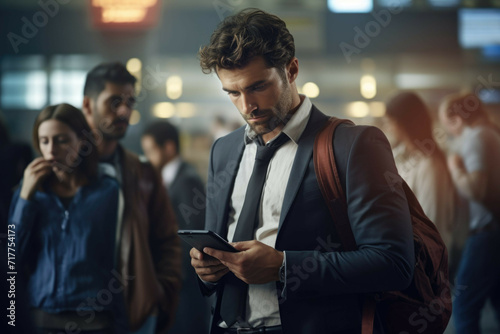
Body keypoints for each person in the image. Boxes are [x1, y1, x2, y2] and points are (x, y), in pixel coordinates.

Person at [190, 9, 415, 334]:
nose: (246, 106)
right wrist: (207, 269)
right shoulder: (223, 151)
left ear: (291, 70)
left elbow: (393, 262)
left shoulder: (353, 146)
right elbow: (218, 244)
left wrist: (284, 266)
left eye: (258, 87)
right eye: (233, 93)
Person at [81, 62, 182, 334]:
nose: (124, 110)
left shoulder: (144, 173)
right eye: (114, 102)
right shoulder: (61, 169)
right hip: (67, 314)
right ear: (88, 105)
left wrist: (158, 295)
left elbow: (168, 241)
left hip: (132, 317)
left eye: (129, 102)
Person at [8, 103, 126, 333]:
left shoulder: (108, 192)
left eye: (61, 140)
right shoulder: (31, 193)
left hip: (96, 320)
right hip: (40, 318)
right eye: (44, 141)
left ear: (82, 141)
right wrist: (25, 198)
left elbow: (121, 259)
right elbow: (12, 255)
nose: (51, 151)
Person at [438, 92, 500, 334]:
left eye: (447, 126)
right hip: (494, 231)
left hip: (487, 233)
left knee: (463, 306)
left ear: (456, 120)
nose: (452, 135)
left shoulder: (476, 137)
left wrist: (454, 167)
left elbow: (476, 189)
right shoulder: (491, 133)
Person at [141, 121, 211, 334]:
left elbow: (192, 235)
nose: (148, 158)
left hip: (185, 282)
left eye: (151, 150)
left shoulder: (186, 180)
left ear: (169, 148)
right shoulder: (171, 177)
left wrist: (169, 275)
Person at [384, 91, 457, 248]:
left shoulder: (430, 165)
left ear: (402, 124)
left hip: (424, 258)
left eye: (390, 122)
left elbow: (432, 220)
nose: (388, 128)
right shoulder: (400, 157)